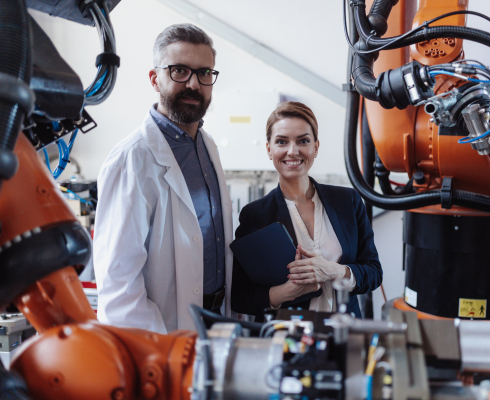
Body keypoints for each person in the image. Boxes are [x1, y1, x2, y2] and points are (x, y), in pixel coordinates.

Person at [93, 24, 233, 334]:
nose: (194, 84)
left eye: (204, 73)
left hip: (215, 321)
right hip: (163, 333)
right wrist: (159, 350)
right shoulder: (131, 159)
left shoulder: (207, 145)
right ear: (155, 79)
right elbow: (118, 284)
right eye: (180, 71)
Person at [231, 102, 382, 319]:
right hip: (288, 338)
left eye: (303, 141)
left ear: (316, 147)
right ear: (269, 149)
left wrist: (334, 270)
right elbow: (240, 297)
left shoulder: (347, 201)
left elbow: (374, 273)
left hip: (345, 332)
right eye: (282, 142)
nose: (293, 151)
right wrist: (286, 292)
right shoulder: (256, 215)